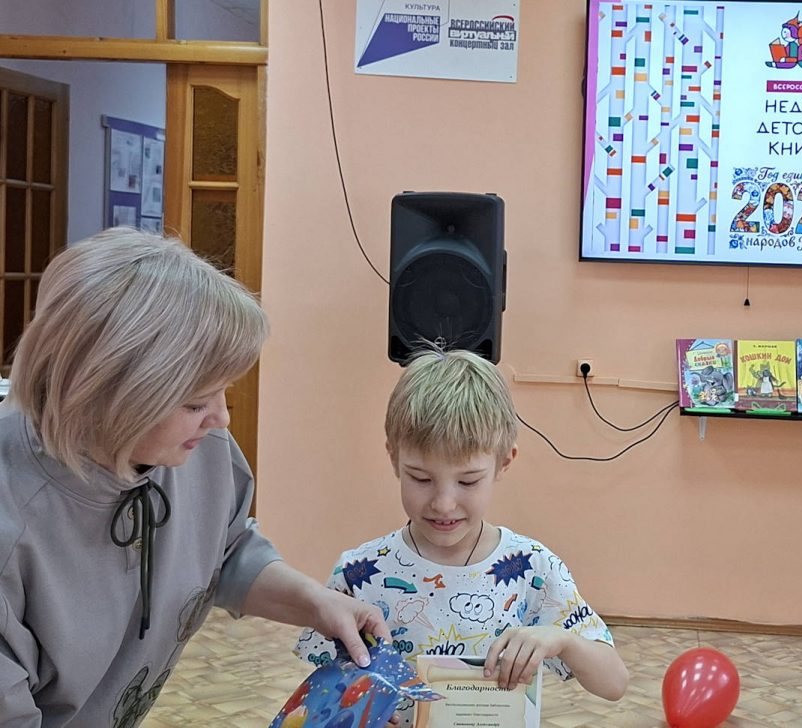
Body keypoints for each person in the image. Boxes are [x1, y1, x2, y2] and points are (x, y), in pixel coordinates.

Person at [0, 228, 388, 727]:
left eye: (223, 391)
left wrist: (316, 603)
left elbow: (222, 550)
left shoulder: (195, 447)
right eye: (195, 402)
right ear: (111, 394)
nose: (220, 419)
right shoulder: (13, 516)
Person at [295, 347, 628, 726]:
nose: (443, 503)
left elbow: (614, 683)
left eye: (468, 481)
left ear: (504, 462)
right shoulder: (359, 573)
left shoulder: (532, 568)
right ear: (394, 459)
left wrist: (562, 640)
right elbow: (323, 700)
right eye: (421, 478)